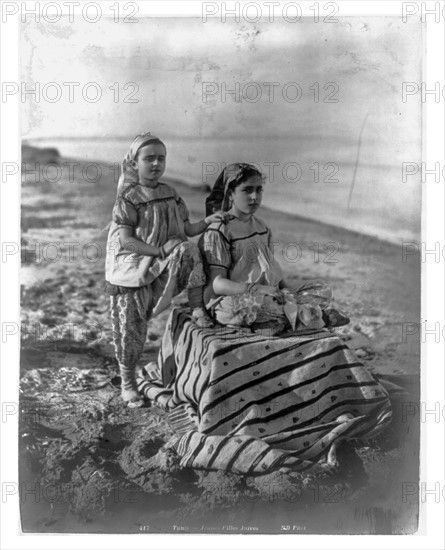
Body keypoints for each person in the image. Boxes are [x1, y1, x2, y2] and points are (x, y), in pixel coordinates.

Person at [104, 132, 226, 407]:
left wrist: (209, 220)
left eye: (161, 158)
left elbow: (187, 230)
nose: (156, 164)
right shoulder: (129, 198)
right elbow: (126, 241)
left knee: (190, 249)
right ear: (135, 164)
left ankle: (197, 307)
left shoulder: (170, 193)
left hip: (162, 262)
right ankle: (128, 382)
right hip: (132, 266)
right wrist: (160, 250)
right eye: (149, 158)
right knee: (131, 329)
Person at [199, 163, 350, 335]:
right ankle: (311, 316)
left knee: (323, 289)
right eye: (247, 190)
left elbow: (270, 269)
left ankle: (287, 319)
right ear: (230, 194)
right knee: (259, 305)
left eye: (259, 189)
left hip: (269, 293)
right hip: (234, 299)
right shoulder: (219, 230)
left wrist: (285, 290)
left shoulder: (262, 227)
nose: (255, 196)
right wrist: (257, 289)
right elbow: (218, 285)